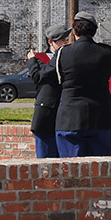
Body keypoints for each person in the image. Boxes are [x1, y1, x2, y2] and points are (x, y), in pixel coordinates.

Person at [53, 11, 111, 157]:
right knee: (102, 171)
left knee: (72, 171)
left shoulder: (63, 53)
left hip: (70, 118)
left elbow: (47, 77)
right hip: (102, 118)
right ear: (94, 32)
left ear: (74, 31)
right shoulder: (106, 52)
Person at [26, 24, 71, 158]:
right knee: (46, 159)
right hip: (46, 113)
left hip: (65, 113)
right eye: (62, 40)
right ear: (51, 42)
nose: (66, 43)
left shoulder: (68, 56)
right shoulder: (41, 59)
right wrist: (32, 61)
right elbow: (38, 77)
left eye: (67, 40)